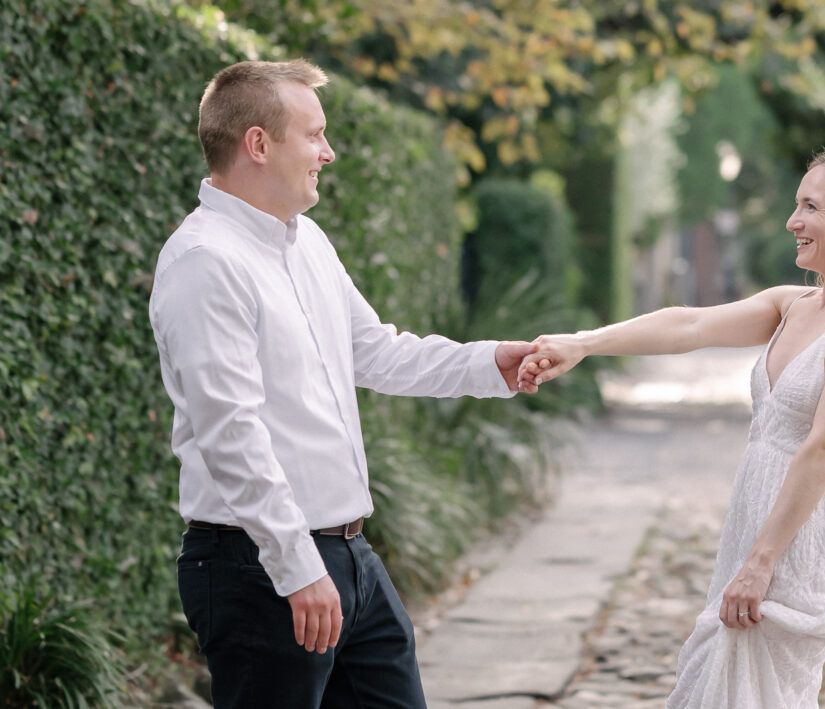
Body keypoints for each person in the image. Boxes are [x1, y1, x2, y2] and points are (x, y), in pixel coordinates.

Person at [148, 59, 539, 709]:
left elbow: (377, 351)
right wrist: (296, 565)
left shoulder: (308, 243)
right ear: (258, 143)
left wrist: (488, 362)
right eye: (314, 135)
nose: (327, 153)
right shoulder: (204, 260)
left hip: (352, 557)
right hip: (260, 569)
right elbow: (230, 432)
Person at [517, 147, 825, 708]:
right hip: (753, 526)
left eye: (811, 207)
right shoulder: (793, 305)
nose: (793, 222)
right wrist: (583, 343)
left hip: (795, 541)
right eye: (797, 205)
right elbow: (687, 324)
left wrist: (761, 563)